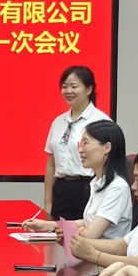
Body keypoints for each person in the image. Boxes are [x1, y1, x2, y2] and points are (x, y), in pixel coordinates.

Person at [25, 119, 132, 240]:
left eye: (85, 143)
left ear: (107, 147)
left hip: (102, 251)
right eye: (80, 143)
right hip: (87, 249)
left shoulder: (117, 187)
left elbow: (91, 234)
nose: (80, 150)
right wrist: (49, 225)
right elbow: (88, 222)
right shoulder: (96, 182)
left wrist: (67, 230)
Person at [43, 66, 110, 220]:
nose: (68, 91)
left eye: (74, 86)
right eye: (64, 86)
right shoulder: (58, 121)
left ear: (88, 89)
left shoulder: (101, 121)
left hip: (89, 188)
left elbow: (108, 162)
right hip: (62, 190)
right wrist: (48, 202)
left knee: (85, 232)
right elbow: (51, 163)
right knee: (57, 233)